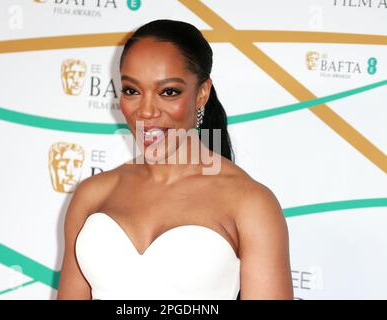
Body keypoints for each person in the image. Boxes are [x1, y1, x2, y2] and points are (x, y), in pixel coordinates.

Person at [57, 19, 293, 300]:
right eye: (132, 90)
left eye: (168, 92)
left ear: (201, 94)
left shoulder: (250, 203)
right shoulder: (92, 194)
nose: (146, 111)